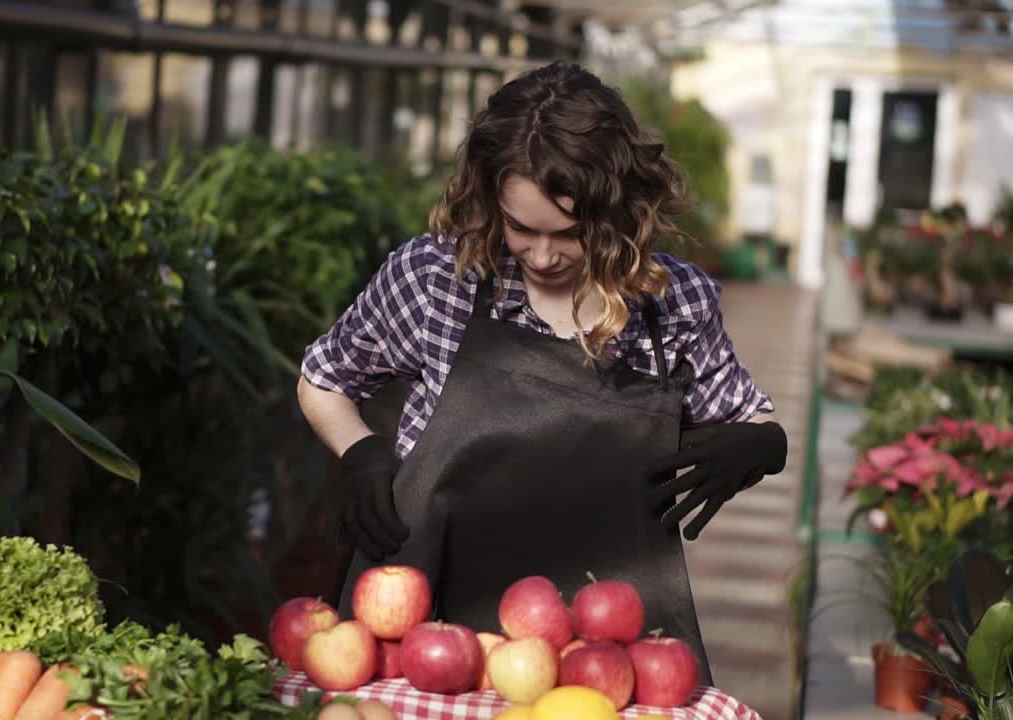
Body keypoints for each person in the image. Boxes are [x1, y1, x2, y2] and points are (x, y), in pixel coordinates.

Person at [295, 62, 787, 684]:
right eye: (521, 228)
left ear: (614, 213)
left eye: (569, 234)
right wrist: (359, 451)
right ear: (489, 194)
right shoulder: (437, 279)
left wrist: (765, 440)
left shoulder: (670, 303)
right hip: (428, 632)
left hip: (609, 646)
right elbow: (323, 378)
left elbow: (748, 411)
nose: (544, 255)